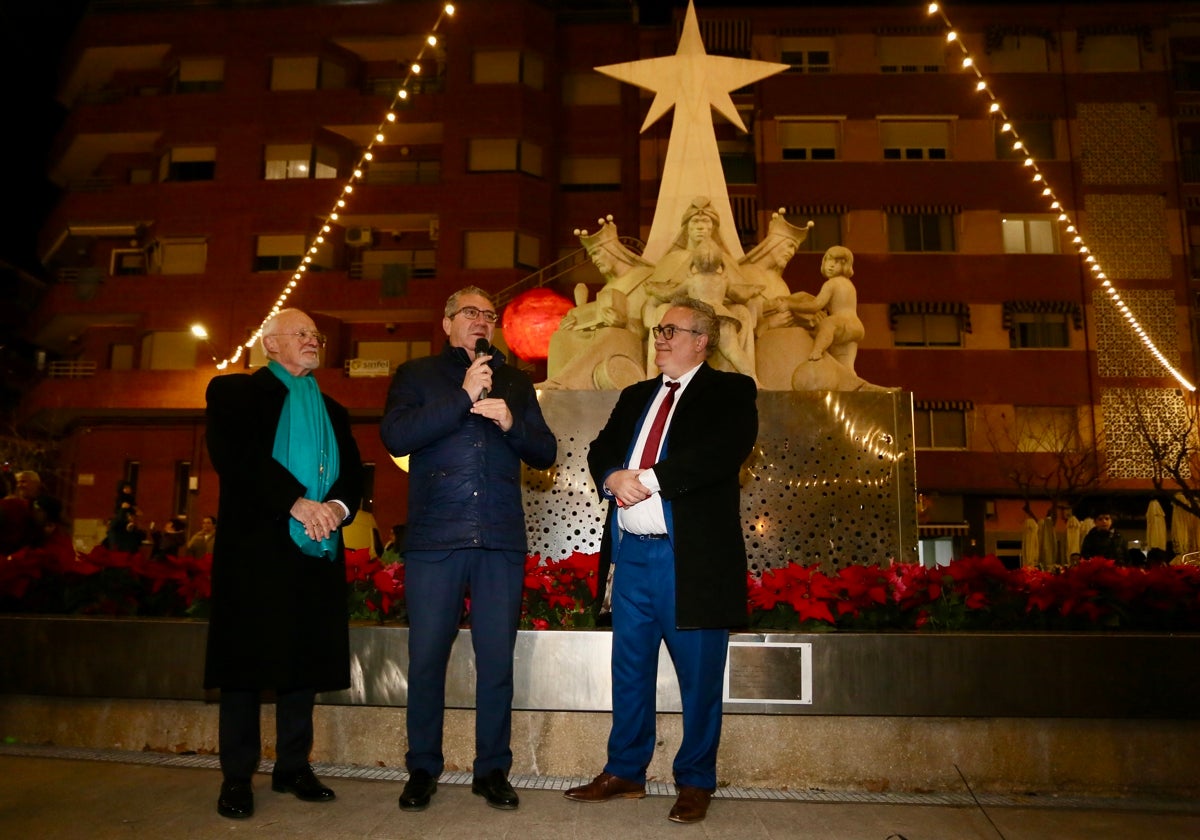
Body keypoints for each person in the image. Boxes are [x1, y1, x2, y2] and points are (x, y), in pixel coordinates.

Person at [565, 296, 758, 824]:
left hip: (689, 561)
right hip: (631, 561)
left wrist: (646, 479)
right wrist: (610, 476)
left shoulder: (730, 392)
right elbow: (601, 447)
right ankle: (625, 770)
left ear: (703, 339)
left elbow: (723, 451)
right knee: (628, 671)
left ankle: (696, 780)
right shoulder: (635, 395)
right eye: (658, 329)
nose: (661, 338)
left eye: (673, 330)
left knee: (699, 677)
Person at [380, 286, 557, 813]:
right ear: (447, 322)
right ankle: (422, 768)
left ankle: (492, 770)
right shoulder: (416, 376)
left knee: (497, 661)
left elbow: (545, 450)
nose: (482, 320)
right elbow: (396, 436)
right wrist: (462, 395)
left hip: (499, 538)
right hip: (436, 536)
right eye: (471, 313)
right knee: (427, 657)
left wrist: (510, 422)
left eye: (488, 314)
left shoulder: (516, 382)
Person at [203, 308, 364, 820]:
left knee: (304, 665)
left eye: (316, 336)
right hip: (257, 550)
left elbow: (354, 474)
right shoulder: (234, 394)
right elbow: (239, 458)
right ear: (270, 345)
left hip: (318, 546)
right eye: (301, 335)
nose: (313, 342)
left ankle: (293, 765)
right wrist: (297, 502)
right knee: (246, 668)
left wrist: (336, 508)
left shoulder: (335, 410)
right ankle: (237, 777)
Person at [775, 245, 865, 374]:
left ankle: (816, 352)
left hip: (841, 323)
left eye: (837, 262)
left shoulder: (831, 283)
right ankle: (853, 381)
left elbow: (815, 305)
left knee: (826, 324)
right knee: (847, 367)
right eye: (829, 260)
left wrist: (790, 305)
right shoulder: (849, 284)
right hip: (856, 327)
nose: (832, 265)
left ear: (845, 266)